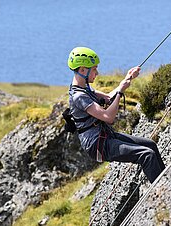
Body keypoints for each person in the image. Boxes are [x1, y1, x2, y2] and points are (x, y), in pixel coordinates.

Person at [67, 46, 165, 183]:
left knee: (150, 145)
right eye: (94, 69)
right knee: (146, 155)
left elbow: (108, 98)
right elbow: (108, 117)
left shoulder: (85, 89)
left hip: (105, 136)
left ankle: (165, 181)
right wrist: (120, 92)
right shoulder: (79, 96)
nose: (97, 73)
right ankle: (160, 191)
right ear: (83, 70)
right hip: (97, 144)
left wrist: (128, 78)